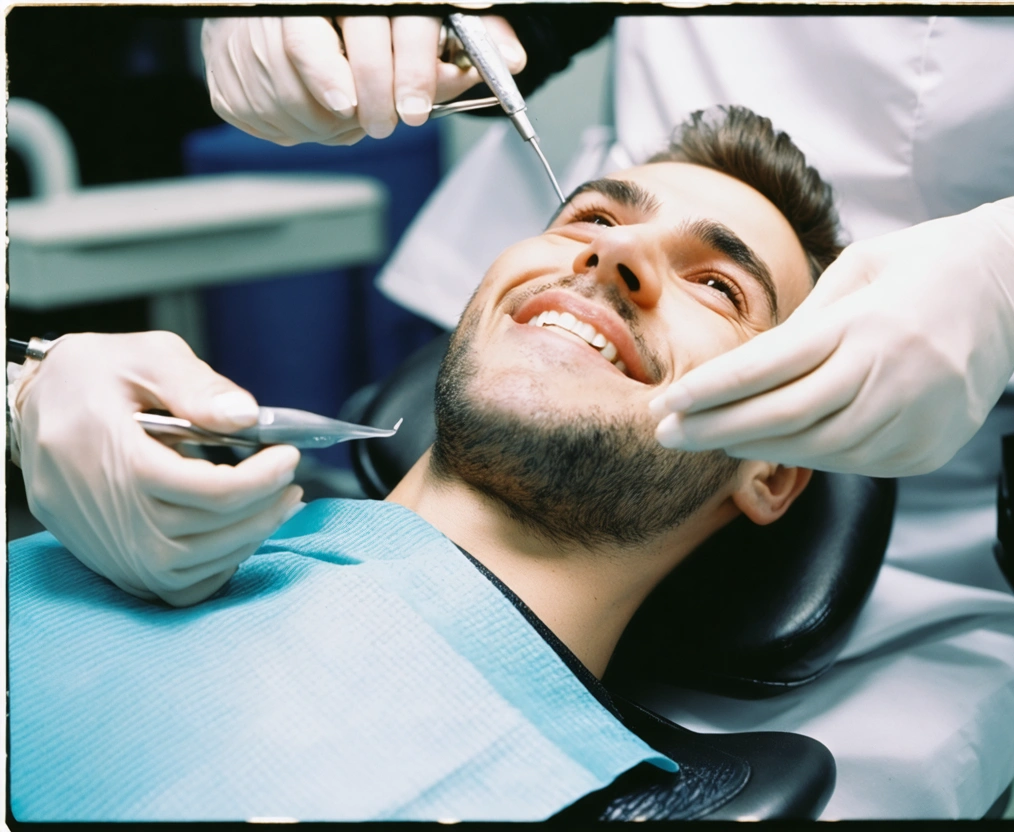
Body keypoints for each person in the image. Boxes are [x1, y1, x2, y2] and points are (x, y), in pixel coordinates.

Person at [10, 107, 832, 821]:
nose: (614, 257)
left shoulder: (549, 790)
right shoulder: (124, 513)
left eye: (720, 286)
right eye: (588, 220)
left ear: (767, 470)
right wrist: (24, 385)